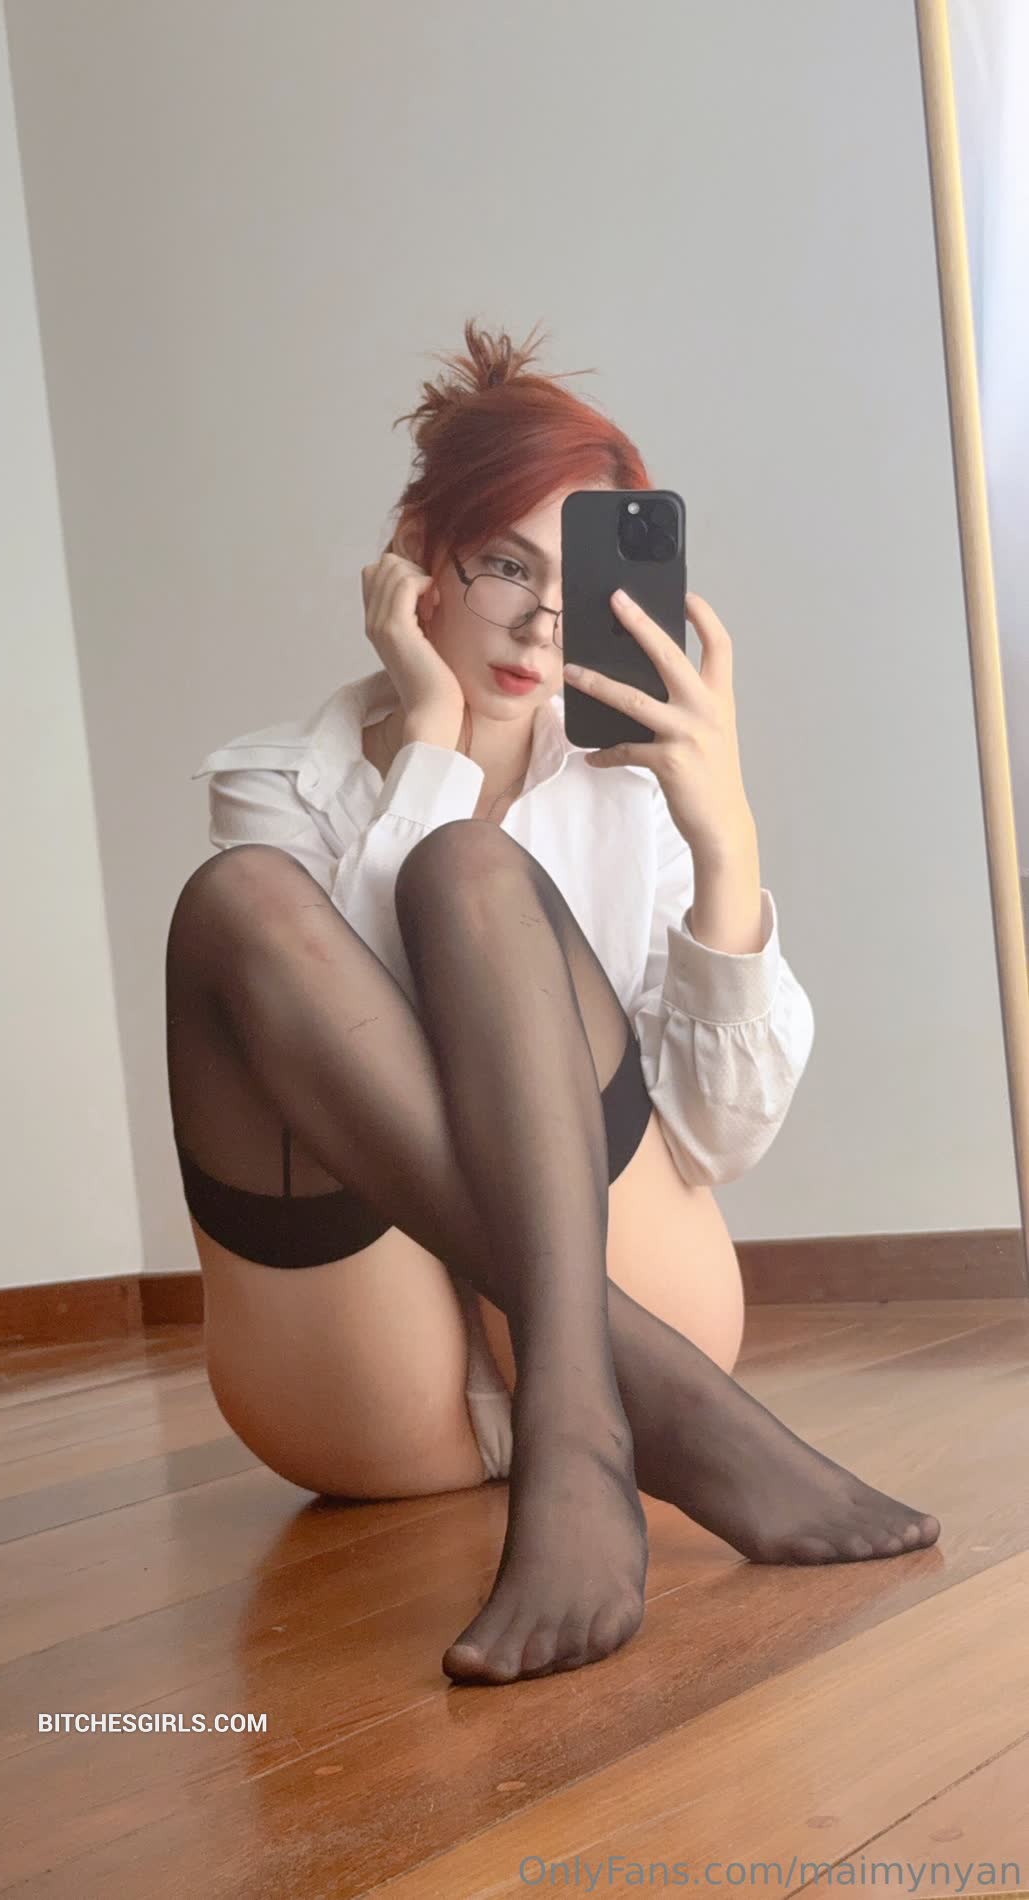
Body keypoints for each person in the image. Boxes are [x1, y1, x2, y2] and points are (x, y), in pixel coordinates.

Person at [165, 318, 941, 1687]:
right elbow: (364, 1054)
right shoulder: (279, 783)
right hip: (370, 1396)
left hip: (647, 1287)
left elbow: (717, 1139)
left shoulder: (636, 793)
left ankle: (578, 1427)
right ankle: (684, 1425)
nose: (539, 624)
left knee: (474, 875)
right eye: (506, 565)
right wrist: (432, 745)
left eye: (579, 586)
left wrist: (725, 838)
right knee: (239, 901)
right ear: (417, 552)